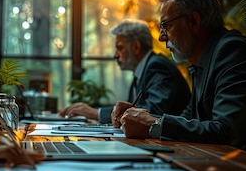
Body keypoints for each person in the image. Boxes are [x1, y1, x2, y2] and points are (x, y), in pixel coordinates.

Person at [119, 0, 246, 156]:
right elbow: (190, 119)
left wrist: (152, 125)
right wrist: (142, 120)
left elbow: (227, 130)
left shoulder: (233, 51)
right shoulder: (202, 60)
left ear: (194, 21)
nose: (161, 36)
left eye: (166, 25)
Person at [59, 19, 191, 123]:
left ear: (136, 47)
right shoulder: (143, 70)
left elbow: (149, 113)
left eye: (120, 48)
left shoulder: (157, 67)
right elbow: (132, 109)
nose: (115, 55)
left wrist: (96, 113)